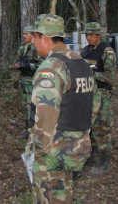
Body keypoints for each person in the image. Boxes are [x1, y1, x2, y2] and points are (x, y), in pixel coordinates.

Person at [27, 14, 94, 204]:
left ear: (44, 37)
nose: (32, 41)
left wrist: (39, 148)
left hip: (56, 150)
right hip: (78, 145)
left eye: (34, 36)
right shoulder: (81, 63)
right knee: (65, 193)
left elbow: (46, 114)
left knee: (48, 198)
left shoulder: (52, 67)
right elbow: (93, 105)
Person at [81, 22, 116, 176]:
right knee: (88, 126)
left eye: (91, 35)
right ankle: (92, 155)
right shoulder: (86, 51)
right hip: (87, 93)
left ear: (98, 35)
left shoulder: (107, 51)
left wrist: (92, 74)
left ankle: (105, 161)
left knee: (102, 127)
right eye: (87, 35)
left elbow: (110, 77)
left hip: (102, 95)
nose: (89, 38)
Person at [10, 25, 43, 140]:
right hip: (23, 80)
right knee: (25, 107)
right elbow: (18, 60)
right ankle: (27, 130)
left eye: (26, 34)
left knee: (32, 107)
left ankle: (33, 131)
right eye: (23, 34)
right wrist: (17, 66)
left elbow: (42, 65)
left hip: (33, 82)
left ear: (32, 35)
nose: (24, 36)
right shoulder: (23, 47)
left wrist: (28, 65)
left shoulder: (37, 48)